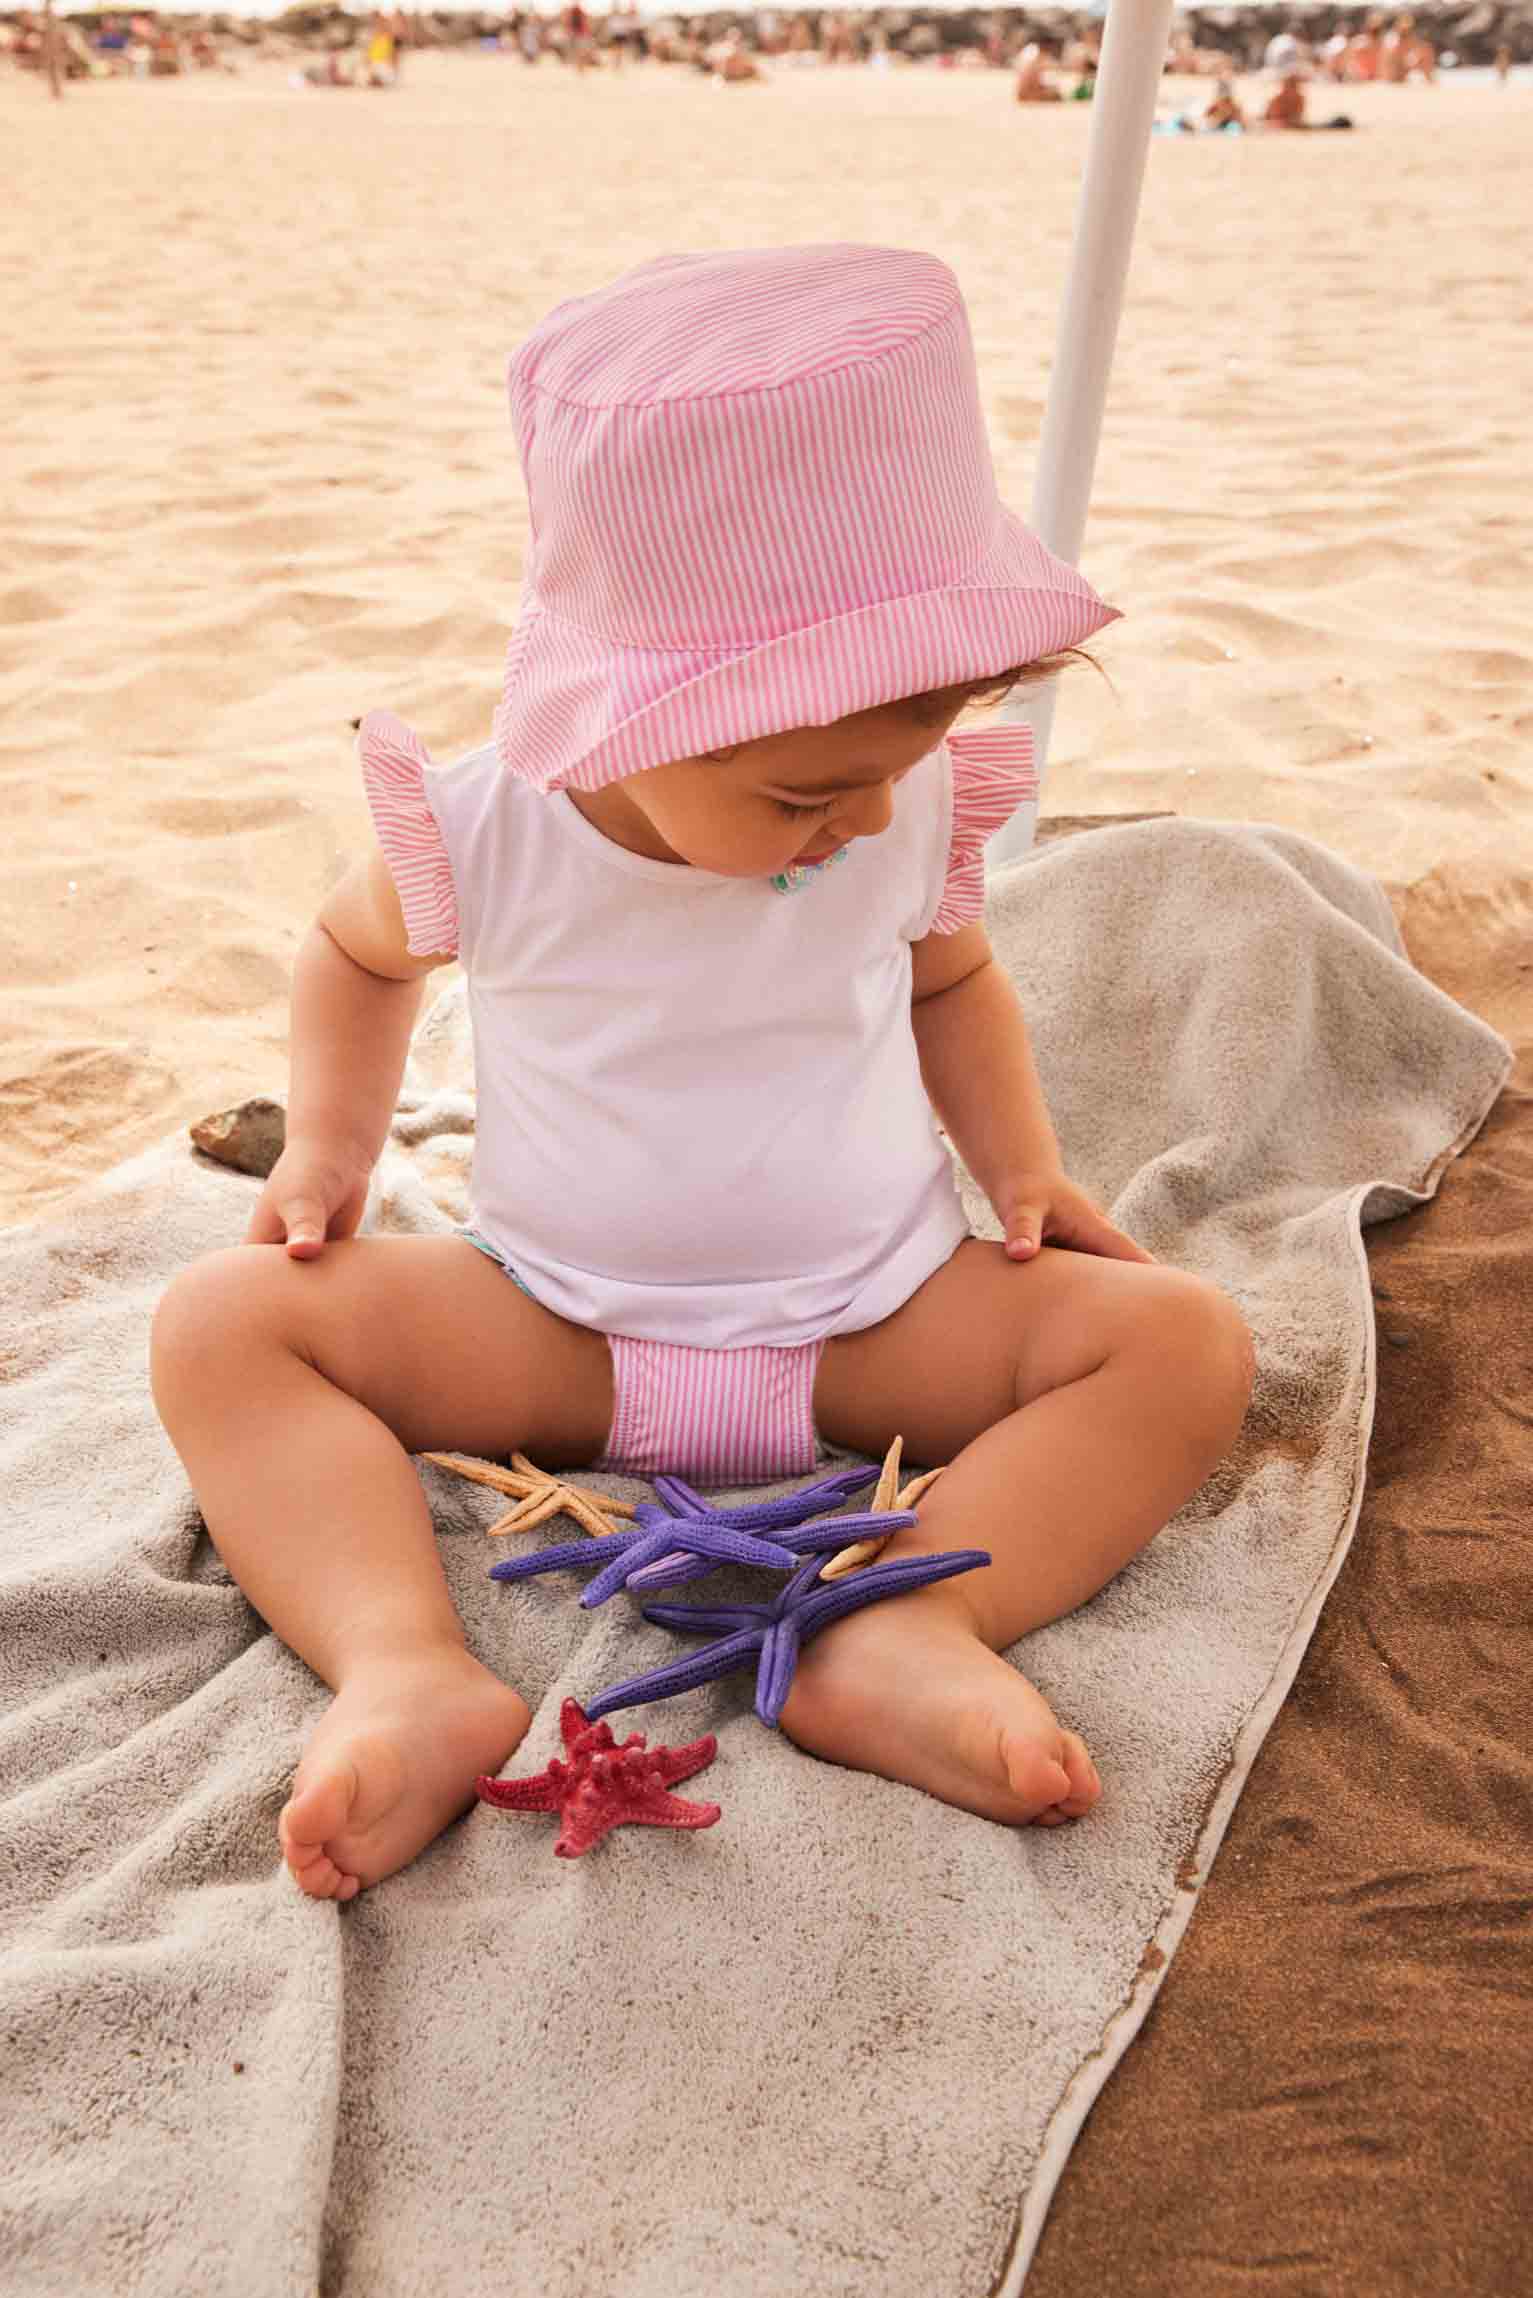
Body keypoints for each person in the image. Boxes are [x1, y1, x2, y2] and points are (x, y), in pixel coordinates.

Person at [150, 244, 1255, 1903]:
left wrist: (1018, 1162)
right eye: (810, 790)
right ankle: (403, 1663)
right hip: (554, 1326)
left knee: (1181, 1340)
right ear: (627, 715)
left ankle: (900, 1623)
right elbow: (354, 956)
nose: (867, 820)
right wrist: (327, 1149)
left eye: (896, 767)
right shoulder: (483, 828)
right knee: (221, 1327)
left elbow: (952, 977)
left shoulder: (900, 798)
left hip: (873, 1320)